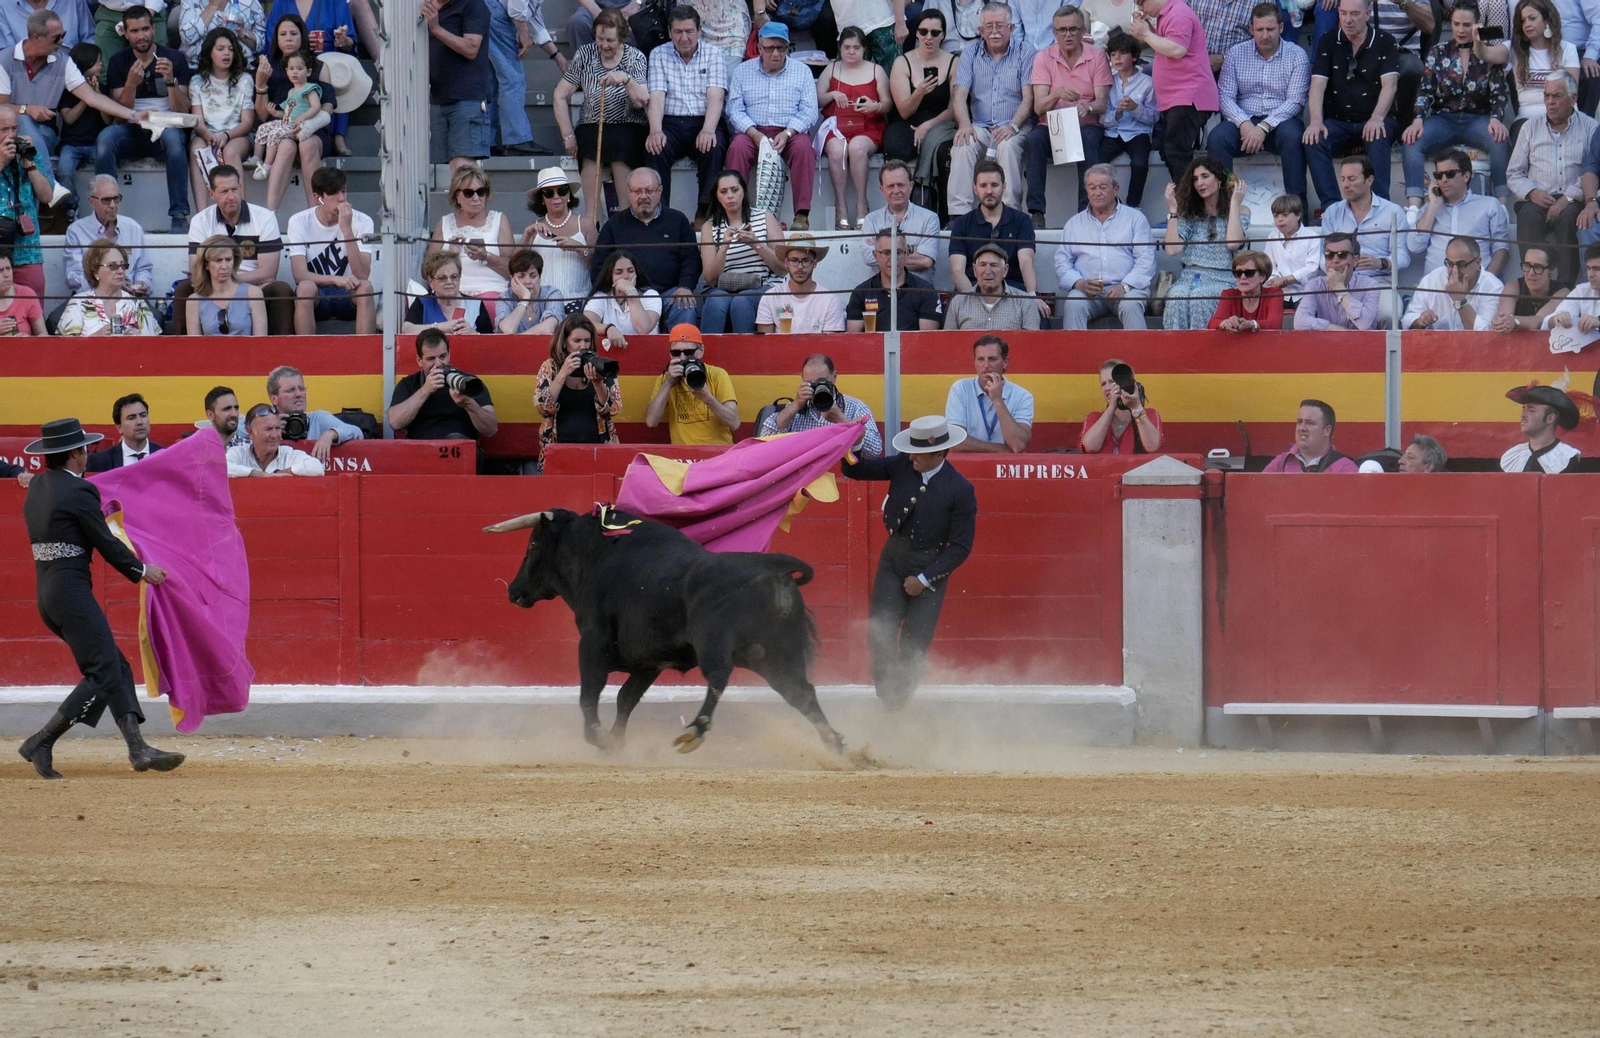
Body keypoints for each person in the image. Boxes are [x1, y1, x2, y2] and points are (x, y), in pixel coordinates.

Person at [15, 417, 179, 781]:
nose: (88, 454)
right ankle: (41, 741)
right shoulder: (80, 492)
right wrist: (141, 571)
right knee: (103, 670)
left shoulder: (38, 486)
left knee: (115, 667)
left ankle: (137, 747)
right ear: (75, 452)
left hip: (49, 595)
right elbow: (105, 542)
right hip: (71, 593)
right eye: (85, 449)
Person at [839, 413, 977, 710]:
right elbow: (856, 469)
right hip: (894, 559)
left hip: (932, 567)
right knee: (881, 633)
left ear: (940, 452)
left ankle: (897, 704)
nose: (913, 456)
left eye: (921, 452)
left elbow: (961, 547)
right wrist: (855, 440)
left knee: (915, 645)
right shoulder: (903, 464)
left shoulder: (960, 489)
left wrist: (925, 579)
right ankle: (889, 701)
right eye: (912, 449)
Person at [2, 11, 144, 193]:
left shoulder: (63, 61)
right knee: (22, 122)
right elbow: (2, 107)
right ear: (37, 38)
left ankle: (49, 189)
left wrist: (133, 115)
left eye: (63, 35)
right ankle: (49, 188)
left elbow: (92, 97)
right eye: (56, 38)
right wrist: (27, 109)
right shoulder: (5, 61)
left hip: (44, 133)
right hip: (6, 134)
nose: (62, 41)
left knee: (28, 146)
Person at [1401, 2, 1512, 210]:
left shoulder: (1488, 52)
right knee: (1411, 141)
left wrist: (1496, 118)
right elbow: (1425, 91)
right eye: (1456, 24)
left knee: (1500, 139)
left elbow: (1499, 93)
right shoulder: (1438, 51)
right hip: (1444, 119)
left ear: (1477, 25)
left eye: (1467, 25)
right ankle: (1414, 207)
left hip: (1477, 119)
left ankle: (1501, 205)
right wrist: (1417, 120)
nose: (1461, 30)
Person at [96, 7, 192, 233]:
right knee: (105, 140)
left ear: (154, 29)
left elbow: (184, 109)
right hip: (130, 128)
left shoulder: (175, 58)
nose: (142, 36)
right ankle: (106, 215)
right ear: (126, 34)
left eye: (146, 29)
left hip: (167, 125)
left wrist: (170, 82)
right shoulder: (119, 61)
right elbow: (117, 115)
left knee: (175, 143)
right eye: (135, 31)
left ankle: (179, 214)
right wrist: (130, 83)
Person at [1207, 3, 1310, 212]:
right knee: (1217, 138)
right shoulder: (1236, 53)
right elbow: (1225, 96)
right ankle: (1224, 208)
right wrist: (1244, 123)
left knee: (1293, 136)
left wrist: (1263, 127)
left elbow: (1296, 101)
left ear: (1281, 28)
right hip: (1243, 121)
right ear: (1251, 30)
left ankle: (1296, 210)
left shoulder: (1297, 54)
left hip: (1281, 122)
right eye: (1260, 30)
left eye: (1270, 29)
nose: (1265, 35)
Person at [1304, 0, 1402, 210]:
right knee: (1314, 139)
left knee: (1378, 133)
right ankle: (1331, 208)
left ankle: (1379, 207)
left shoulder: (1385, 40)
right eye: (1343, 13)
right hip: (1339, 121)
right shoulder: (1329, 39)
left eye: (1355, 14)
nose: (1348, 20)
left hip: (1373, 117)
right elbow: (1317, 85)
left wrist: (1376, 118)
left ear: (1367, 14)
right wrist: (1316, 121)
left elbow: (1390, 85)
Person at [176, 163, 294, 333]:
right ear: (212, 194)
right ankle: (180, 353)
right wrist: (221, 285)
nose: (231, 196)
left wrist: (231, 283)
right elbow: (197, 269)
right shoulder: (200, 220)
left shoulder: (264, 218)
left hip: (254, 286)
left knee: (281, 289)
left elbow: (268, 272)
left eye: (235, 189)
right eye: (224, 192)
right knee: (183, 289)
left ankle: (280, 354)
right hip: (212, 286)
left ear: (241, 188)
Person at [725, 21, 820, 230]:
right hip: (753, 130)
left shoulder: (802, 71)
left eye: (781, 48)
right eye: (769, 48)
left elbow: (810, 111)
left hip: (790, 131)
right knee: (737, 148)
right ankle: (736, 214)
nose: (775, 53)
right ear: (759, 47)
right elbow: (734, 109)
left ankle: (801, 215)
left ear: (788, 47)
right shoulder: (743, 71)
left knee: (804, 148)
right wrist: (753, 133)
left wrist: (788, 132)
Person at [947, 2, 1035, 217]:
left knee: (1007, 146)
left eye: (1000, 25)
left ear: (1011, 28)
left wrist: (1013, 125)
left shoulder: (1026, 51)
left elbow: (1029, 98)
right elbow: (959, 95)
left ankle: (1009, 214)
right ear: (981, 30)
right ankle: (958, 215)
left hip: (1016, 124)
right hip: (981, 126)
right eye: (989, 26)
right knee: (962, 144)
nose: (994, 31)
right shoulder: (970, 53)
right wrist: (965, 125)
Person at [555, 8, 648, 207]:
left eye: (610, 41)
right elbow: (559, 95)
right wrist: (568, 136)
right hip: (591, 123)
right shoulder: (585, 55)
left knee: (621, 143)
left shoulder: (635, 57)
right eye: (600, 39)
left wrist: (626, 79)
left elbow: (642, 100)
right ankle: (591, 219)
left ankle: (625, 214)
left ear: (622, 38)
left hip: (628, 124)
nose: (604, 45)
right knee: (588, 143)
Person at [1022, 5, 1108, 220]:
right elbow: (1038, 107)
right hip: (1053, 125)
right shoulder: (1043, 57)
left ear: (1082, 31)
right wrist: (1057, 94)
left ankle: (1086, 211)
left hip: (1086, 124)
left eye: (1072, 29)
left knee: (1089, 137)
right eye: (1062, 30)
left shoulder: (1096, 56)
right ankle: (1036, 212)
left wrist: (1087, 107)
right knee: (1034, 139)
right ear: (1054, 33)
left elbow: (1103, 103)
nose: (1067, 34)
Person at [1509, 71, 1594, 284]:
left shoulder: (1590, 128)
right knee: (1527, 218)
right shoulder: (1530, 127)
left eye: (1556, 96)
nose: (1550, 102)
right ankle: (1532, 287)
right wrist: (1532, 192)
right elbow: (1513, 173)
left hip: (1573, 199)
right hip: (1537, 199)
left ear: (1573, 98)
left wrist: (1568, 198)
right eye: (1546, 96)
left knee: (1569, 219)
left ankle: (1565, 289)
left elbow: (1592, 171)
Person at [645, 6, 727, 224]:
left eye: (689, 31)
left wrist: (708, 129)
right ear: (670, 32)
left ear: (699, 31)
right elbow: (656, 97)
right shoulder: (658, 54)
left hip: (703, 120)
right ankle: (659, 215)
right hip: (670, 121)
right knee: (655, 147)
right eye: (678, 32)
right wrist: (655, 130)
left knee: (714, 146)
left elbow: (716, 98)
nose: (684, 37)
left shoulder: (714, 54)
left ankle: (704, 214)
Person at [590, 168, 699, 329]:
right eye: (637, 191)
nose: (643, 197)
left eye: (649, 191)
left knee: (685, 305)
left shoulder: (678, 220)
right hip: (630, 294)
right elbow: (599, 266)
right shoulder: (614, 225)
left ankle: (685, 352)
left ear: (660, 191)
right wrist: (620, 292)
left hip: (670, 294)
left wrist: (685, 286)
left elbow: (692, 259)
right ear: (628, 192)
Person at [1129, 0, 1217, 188]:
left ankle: (1189, 208)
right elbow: (1166, 43)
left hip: (1187, 96)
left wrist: (1146, 34)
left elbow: (1177, 49)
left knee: (1176, 151)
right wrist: (1149, 30)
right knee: (1169, 151)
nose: (1140, 7)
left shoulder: (1178, 13)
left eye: (1141, 1)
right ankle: (1188, 202)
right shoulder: (1168, 14)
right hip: (1177, 97)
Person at [1056, 163, 1154, 330]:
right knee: (1074, 303)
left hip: (1129, 289)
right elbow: (1062, 262)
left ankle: (1139, 356)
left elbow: (1146, 261)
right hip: (1089, 292)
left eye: (1103, 187)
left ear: (1116, 188)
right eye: (1092, 187)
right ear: (1086, 190)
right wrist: (1079, 283)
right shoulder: (1074, 223)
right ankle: (1074, 356)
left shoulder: (1135, 219)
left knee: (1130, 306)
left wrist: (1124, 286)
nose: (1097, 192)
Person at [251, 15, 333, 209]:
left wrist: (308, 125)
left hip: (312, 130)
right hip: (281, 130)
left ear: (302, 37)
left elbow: (328, 107)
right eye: (283, 34)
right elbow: (263, 115)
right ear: (276, 40)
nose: (288, 38)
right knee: (286, 146)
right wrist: (261, 84)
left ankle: (315, 211)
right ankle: (270, 214)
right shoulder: (266, 67)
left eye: (293, 33)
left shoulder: (319, 66)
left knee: (306, 145)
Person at [1163, 155, 1250, 329]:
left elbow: (1233, 244)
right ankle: (1176, 353)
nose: (1200, 183)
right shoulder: (1189, 213)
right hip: (1189, 277)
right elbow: (1172, 250)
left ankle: (1204, 353)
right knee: (1176, 296)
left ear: (1218, 180)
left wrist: (1234, 203)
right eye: (1195, 179)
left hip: (1222, 278)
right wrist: (1173, 210)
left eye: (1205, 176)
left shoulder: (1241, 210)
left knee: (1201, 297)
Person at [286, 165, 375, 334]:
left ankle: (366, 351)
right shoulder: (299, 221)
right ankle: (305, 352)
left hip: (348, 293)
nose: (341, 198)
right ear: (318, 197)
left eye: (344, 191)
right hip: (318, 293)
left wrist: (347, 229)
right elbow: (299, 275)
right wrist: (335, 279)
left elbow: (362, 275)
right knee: (304, 288)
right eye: (334, 193)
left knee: (366, 287)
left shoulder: (363, 221)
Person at [818, 27, 892, 230]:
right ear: (840, 48)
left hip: (868, 126)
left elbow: (888, 103)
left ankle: (862, 204)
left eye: (856, 47)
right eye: (847, 47)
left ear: (864, 49)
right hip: (837, 126)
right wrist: (832, 94)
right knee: (837, 149)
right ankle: (840, 206)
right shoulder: (832, 69)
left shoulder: (876, 70)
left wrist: (874, 106)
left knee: (857, 148)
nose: (851, 52)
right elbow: (816, 99)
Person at [883, 9, 958, 203]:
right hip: (907, 120)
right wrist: (919, 92)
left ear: (943, 35)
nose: (928, 37)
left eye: (935, 33)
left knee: (945, 153)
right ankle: (898, 207)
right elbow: (904, 110)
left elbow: (954, 109)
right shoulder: (903, 62)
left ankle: (944, 211)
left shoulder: (953, 62)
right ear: (916, 33)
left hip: (941, 123)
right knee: (895, 148)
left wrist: (928, 126)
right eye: (923, 31)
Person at [530, 312, 620, 473]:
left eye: (587, 340)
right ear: (564, 342)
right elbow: (542, 408)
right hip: (558, 450)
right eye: (576, 341)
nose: (583, 346)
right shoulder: (551, 367)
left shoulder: (600, 366)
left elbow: (613, 410)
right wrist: (563, 374)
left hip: (597, 450)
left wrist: (598, 383)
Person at [699, 168, 785, 334]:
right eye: (723, 191)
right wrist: (724, 247)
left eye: (735, 190)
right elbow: (710, 279)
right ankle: (706, 356)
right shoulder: (709, 226)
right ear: (717, 196)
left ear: (744, 192)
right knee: (715, 302)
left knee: (741, 302)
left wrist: (756, 244)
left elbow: (782, 268)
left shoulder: (765, 217)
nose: (730, 196)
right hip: (723, 287)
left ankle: (745, 357)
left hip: (764, 284)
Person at [948, 159, 1042, 304]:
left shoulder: (1022, 221)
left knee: (1040, 315)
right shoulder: (961, 224)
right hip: (972, 289)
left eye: (994, 185)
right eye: (983, 186)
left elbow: (1026, 262)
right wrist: (977, 301)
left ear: (1004, 187)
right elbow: (957, 271)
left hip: (1013, 288)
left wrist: (1032, 295)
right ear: (975, 188)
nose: (989, 191)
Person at [1408, 149, 1510, 280]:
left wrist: (1486, 282)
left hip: (1476, 286)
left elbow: (1501, 250)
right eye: (1438, 175)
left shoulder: (1489, 205)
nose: (1443, 180)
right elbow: (1414, 246)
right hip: (1435, 288)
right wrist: (1433, 206)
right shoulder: (1430, 209)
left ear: (1466, 176)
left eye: (1449, 174)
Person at [389, 328, 500, 445]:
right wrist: (425, 390)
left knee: (455, 438)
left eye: (443, 356)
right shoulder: (409, 384)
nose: (438, 364)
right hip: (422, 454)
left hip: (461, 452)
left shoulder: (468, 382)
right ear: (419, 360)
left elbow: (491, 430)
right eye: (431, 359)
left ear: (449, 354)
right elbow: (395, 422)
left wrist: (469, 404)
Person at [760, 352, 885, 455]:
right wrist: (796, 404)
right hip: (803, 478)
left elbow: (875, 450)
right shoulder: (797, 407)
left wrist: (841, 420)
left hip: (840, 477)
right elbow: (764, 440)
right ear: (802, 378)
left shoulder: (855, 407)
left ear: (834, 376)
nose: (817, 388)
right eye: (810, 383)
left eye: (822, 382)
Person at [186, 26, 254, 208]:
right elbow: (197, 120)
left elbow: (247, 122)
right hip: (205, 133)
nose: (227, 54)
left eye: (231, 49)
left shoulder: (245, 79)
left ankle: (241, 209)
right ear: (210, 52)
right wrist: (208, 135)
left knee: (230, 151)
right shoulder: (197, 81)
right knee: (197, 149)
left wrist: (226, 136)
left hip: (237, 135)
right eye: (221, 49)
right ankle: (202, 214)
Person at [425, 163, 512, 301]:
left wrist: (486, 257)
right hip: (451, 295)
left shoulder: (499, 220)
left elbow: (513, 270)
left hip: (491, 292)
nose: (476, 198)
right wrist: (450, 255)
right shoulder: (445, 222)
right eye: (469, 193)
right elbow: (426, 272)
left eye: (481, 192)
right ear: (457, 196)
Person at [1319, 155, 1410, 282]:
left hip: (1378, 281)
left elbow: (1402, 256)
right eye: (1343, 179)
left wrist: (1381, 263)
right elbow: (1322, 254)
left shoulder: (1393, 211)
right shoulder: (1332, 212)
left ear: (1369, 180)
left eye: (1351, 179)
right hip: (1341, 281)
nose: (1345, 185)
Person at [644, 323, 739, 445]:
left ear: (701, 351)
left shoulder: (717, 375)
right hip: (684, 455)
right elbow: (651, 422)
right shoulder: (665, 379)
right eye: (676, 353)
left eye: (689, 352)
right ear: (670, 354)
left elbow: (734, 423)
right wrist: (667, 384)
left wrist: (706, 397)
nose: (683, 358)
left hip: (717, 452)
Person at [0, 100, 56, 302]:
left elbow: (47, 196)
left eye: (14, 128)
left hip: (27, 249)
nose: (11, 135)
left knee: (33, 308)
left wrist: (29, 164)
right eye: (4, 129)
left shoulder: (28, 153)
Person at [426, 0, 491, 172]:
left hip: (467, 98)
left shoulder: (473, 5)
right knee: (444, 171)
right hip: (438, 98)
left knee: (463, 167)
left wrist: (436, 28)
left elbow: (471, 48)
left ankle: (474, 197)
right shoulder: (425, 7)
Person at [520, 166, 592, 310]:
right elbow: (516, 267)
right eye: (549, 193)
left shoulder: (584, 224)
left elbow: (599, 266)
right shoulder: (532, 228)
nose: (556, 197)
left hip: (579, 302)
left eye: (562, 190)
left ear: (569, 194)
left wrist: (579, 248)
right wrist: (527, 236)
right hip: (542, 304)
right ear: (542, 199)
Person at [945, 333, 1032, 452]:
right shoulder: (961, 388)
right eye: (980, 359)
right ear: (974, 362)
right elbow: (955, 442)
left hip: (1004, 467)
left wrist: (998, 401)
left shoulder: (1023, 396)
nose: (985, 366)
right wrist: (1001, 450)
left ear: (1005, 362)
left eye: (992, 359)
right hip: (968, 465)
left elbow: (1018, 445)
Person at [1098, 30, 1155, 208]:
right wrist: (1118, 114)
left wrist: (1136, 109)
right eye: (1113, 54)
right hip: (1113, 132)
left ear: (1135, 56)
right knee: (1098, 163)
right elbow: (1102, 118)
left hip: (1139, 133)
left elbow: (1154, 117)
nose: (1117, 58)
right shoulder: (1107, 82)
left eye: (1123, 53)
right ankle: (1106, 203)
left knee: (1139, 164)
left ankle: (1132, 206)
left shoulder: (1147, 82)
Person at [57, 238, 162, 335]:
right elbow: (64, 350)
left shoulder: (137, 304)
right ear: (95, 272)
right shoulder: (78, 304)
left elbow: (155, 347)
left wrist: (138, 338)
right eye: (113, 266)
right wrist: (94, 339)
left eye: (123, 265)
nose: (121, 271)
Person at [247, 49, 321, 181]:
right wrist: (275, 113)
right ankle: (256, 157)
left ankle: (267, 165)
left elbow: (316, 107)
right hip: (287, 123)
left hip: (299, 127)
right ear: (287, 72)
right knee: (263, 128)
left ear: (308, 72)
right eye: (291, 68)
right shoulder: (291, 91)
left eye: (299, 68)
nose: (295, 72)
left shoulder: (310, 88)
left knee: (274, 133)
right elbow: (288, 113)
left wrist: (304, 117)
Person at [847, 229, 943, 330]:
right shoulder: (861, 293)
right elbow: (853, 340)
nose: (893, 259)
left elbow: (927, 340)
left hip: (912, 346)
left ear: (906, 254)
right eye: (886, 253)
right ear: (876, 255)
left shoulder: (926, 291)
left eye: (898, 252)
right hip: (872, 346)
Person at [1404, 233, 1507, 328]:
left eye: (1461, 265)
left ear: (1477, 262)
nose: (1454, 271)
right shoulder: (1432, 279)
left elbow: (1485, 334)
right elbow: (1408, 318)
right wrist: (1420, 321)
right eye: (1450, 264)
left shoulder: (1493, 287)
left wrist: (1460, 300)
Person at [52, 42, 109, 213]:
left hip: (96, 143)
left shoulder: (102, 89)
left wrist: (98, 96)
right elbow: (68, 118)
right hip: (71, 144)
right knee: (64, 169)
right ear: (85, 63)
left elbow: (107, 120)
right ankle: (71, 206)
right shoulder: (66, 91)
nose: (101, 64)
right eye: (97, 60)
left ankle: (102, 203)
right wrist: (87, 97)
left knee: (103, 168)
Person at [266, 363, 362, 463]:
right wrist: (269, 431)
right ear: (274, 399)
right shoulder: (263, 421)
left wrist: (330, 434)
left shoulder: (318, 419)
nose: (299, 394)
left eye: (302, 389)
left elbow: (357, 432)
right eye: (290, 390)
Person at [861, 159, 942, 273]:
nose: (896, 191)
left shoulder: (929, 219)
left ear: (911, 186)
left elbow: (925, 260)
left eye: (900, 185)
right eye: (890, 186)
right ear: (882, 189)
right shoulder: (871, 220)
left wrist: (883, 253)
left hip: (917, 289)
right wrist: (911, 252)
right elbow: (869, 258)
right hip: (883, 290)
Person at [1510, 0, 1580, 133]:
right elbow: (1488, 54)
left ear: (1547, 20)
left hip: (1563, 115)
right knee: (1519, 133)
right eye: (1523, 20)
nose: (1527, 24)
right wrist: (1478, 41)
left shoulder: (1568, 49)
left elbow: (1570, 91)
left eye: (1532, 18)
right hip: (1528, 117)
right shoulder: (1516, 50)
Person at [756, 232, 846, 333]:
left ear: (815, 263)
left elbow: (830, 345)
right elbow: (766, 343)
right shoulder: (770, 297)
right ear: (786, 263)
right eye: (794, 260)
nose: (800, 267)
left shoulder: (830, 301)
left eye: (806, 260)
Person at [1294, 232, 1384, 329]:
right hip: (1326, 343)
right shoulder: (1314, 285)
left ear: (1355, 260)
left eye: (1342, 255)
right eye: (1329, 255)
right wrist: (1335, 329)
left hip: (1360, 343)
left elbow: (1364, 323)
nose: (1335, 260)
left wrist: (1340, 289)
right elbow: (1300, 322)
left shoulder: (1369, 285)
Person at [944, 241, 1041, 328]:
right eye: (982, 265)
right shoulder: (958, 302)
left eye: (994, 265)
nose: (988, 271)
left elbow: (1031, 344)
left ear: (1005, 270)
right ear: (975, 270)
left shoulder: (1025, 302)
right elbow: (947, 343)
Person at [184, 233, 267, 334]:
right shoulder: (194, 302)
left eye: (228, 260)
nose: (224, 266)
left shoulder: (253, 294)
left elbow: (261, 342)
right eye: (218, 260)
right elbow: (194, 346)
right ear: (206, 265)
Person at [402, 250, 495, 334]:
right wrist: (438, 327)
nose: (449, 282)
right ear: (431, 282)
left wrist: (472, 333)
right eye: (442, 278)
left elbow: (490, 340)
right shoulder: (423, 302)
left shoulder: (476, 304)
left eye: (454, 277)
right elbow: (406, 330)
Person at [1080, 357, 1160, 453]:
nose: (1107, 388)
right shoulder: (1094, 418)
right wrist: (1112, 406)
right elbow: (1091, 447)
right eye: (1103, 384)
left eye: (1112, 382)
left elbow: (1152, 446)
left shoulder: (1149, 415)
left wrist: (1136, 406)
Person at [584, 249, 662, 346]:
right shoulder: (601, 296)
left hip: (646, 352)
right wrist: (608, 328)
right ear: (610, 276)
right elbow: (585, 324)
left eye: (630, 271)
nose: (625, 276)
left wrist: (631, 292)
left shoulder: (650, 295)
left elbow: (643, 329)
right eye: (618, 272)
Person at [226, 402, 325, 476]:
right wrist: (261, 475)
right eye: (268, 429)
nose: (275, 435)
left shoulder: (289, 454)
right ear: (250, 432)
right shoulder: (238, 453)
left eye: (277, 428)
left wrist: (281, 473)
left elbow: (317, 467)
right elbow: (221, 469)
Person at [1500, 381, 1582, 470]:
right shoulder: (1511, 457)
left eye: (1531, 410)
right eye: (1524, 408)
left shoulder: (1566, 459)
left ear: (1550, 418)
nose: (1522, 415)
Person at [1262, 399, 1360, 471]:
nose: (1302, 428)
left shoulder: (1345, 468)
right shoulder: (1282, 462)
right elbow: (1260, 492)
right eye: (1299, 422)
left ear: (1327, 430)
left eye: (1310, 423)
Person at [1260, 194, 1321, 304]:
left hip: (1305, 292)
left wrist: (1287, 279)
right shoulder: (1273, 236)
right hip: (1279, 292)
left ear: (1298, 215)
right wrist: (1276, 280)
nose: (1280, 220)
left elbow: (1312, 268)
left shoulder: (1312, 237)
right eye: (1276, 216)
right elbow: (1269, 264)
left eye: (1285, 215)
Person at [1494, 243, 1571, 329]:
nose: (1531, 273)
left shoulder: (1562, 292)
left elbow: (1540, 321)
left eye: (1538, 267)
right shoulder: (1513, 287)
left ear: (1551, 270)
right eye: (1527, 266)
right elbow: (1504, 318)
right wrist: (1501, 322)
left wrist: (1514, 321)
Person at [1209, 248, 1284, 330]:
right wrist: (1224, 323)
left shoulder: (1273, 294)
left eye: (1249, 273)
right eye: (1238, 273)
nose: (1242, 277)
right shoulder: (1229, 295)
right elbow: (1213, 323)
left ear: (1262, 276)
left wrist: (1252, 324)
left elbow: (1275, 324)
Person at [85, 393, 163, 471]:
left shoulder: (165, 455)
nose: (140, 422)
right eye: (131, 418)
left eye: (143, 415)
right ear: (119, 427)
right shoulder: (99, 461)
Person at [177, 0, 267, 67]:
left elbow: (262, 43)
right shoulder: (191, 1)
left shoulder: (250, 2)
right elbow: (187, 37)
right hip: (198, 66)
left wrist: (243, 33)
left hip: (241, 67)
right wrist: (212, 6)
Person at [496, 248, 564, 335]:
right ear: (512, 278)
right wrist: (524, 300)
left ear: (539, 277)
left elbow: (547, 328)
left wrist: (519, 342)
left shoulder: (552, 294)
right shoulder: (504, 298)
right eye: (521, 276)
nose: (527, 281)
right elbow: (508, 329)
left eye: (533, 276)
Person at [1542, 240, 1600, 325]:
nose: (1590, 274)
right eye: (1588, 268)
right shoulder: (1581, 291)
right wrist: (1556, 319)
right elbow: (1547, 322)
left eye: (1597, 269)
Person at [0, 248, 42, 334]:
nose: (6, 275)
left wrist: (28, 340)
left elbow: (43, 335)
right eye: (0, 270)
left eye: (8, 268)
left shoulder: (27, 294)